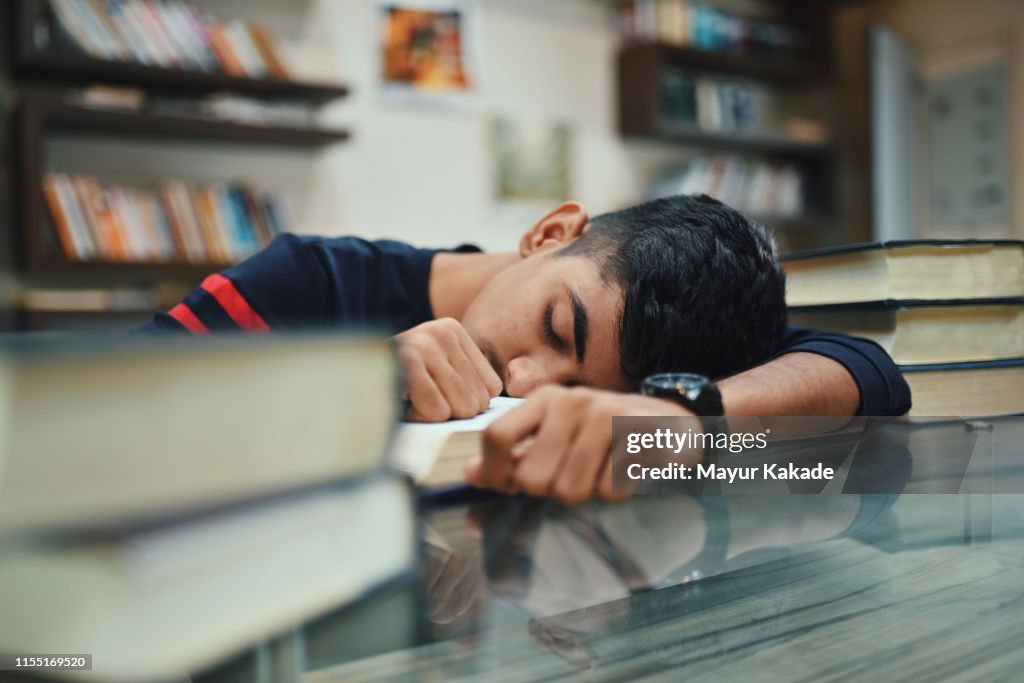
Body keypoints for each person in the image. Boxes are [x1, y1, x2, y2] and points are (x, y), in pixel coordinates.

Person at [140, 195, 911, 503]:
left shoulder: (677, 344)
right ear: (550, 233)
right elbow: (96, 428)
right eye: (555, 327)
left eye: (580, 389)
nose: (527, 382)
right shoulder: (311, 283)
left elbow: (868, 371)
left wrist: (685, 418)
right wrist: (347, 383)